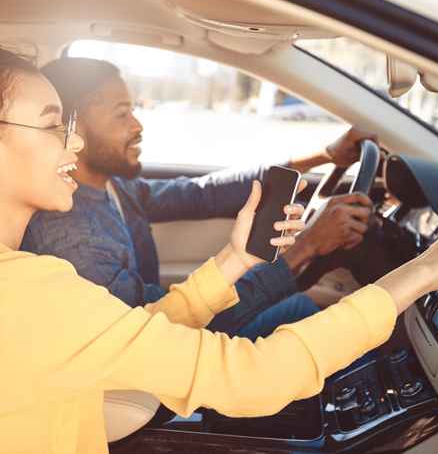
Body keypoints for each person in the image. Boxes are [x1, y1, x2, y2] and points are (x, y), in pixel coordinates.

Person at [0, 26, 438, 454]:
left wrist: (231, 261)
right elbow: (256, 376)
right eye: (53, 124)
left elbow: (121, 332)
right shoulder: (23, 292)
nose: (72, 144)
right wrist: (424, 272)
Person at [22, 57, 375, 339]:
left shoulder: (113, 186)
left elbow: (203, 193)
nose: (137, 125)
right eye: (121, 113)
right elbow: (161, 331)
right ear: (73, 128)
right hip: (162, 352)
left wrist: (324, 155)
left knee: (306, 309)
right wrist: (306, 247)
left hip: (175, 329)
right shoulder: (70, 232)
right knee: (306, 316)